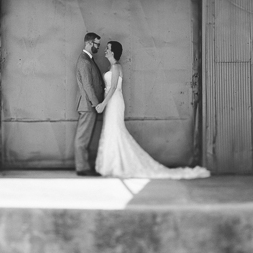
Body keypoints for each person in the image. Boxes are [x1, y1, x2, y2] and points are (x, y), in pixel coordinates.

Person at [95, 41, 210, 179]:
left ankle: (117, 165)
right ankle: (113, 164)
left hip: (114, 101)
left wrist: (102, 104)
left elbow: (113, 88)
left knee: (115, 130)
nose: (105, 51)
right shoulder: (112, 67)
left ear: (112, 52)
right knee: (111, 130)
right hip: (112, 101)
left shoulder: (115, 67)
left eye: (107, 48)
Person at [74, 32, 105, 176]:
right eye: (97, 44)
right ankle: (82, 167)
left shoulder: (88, 59)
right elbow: (88, 86)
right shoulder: (85, 61)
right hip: (88, 106)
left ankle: (84, 166)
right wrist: (96, 104)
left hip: (89, 105)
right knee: (83, 138)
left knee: (85, 138)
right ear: (89, 43)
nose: (98, 47)